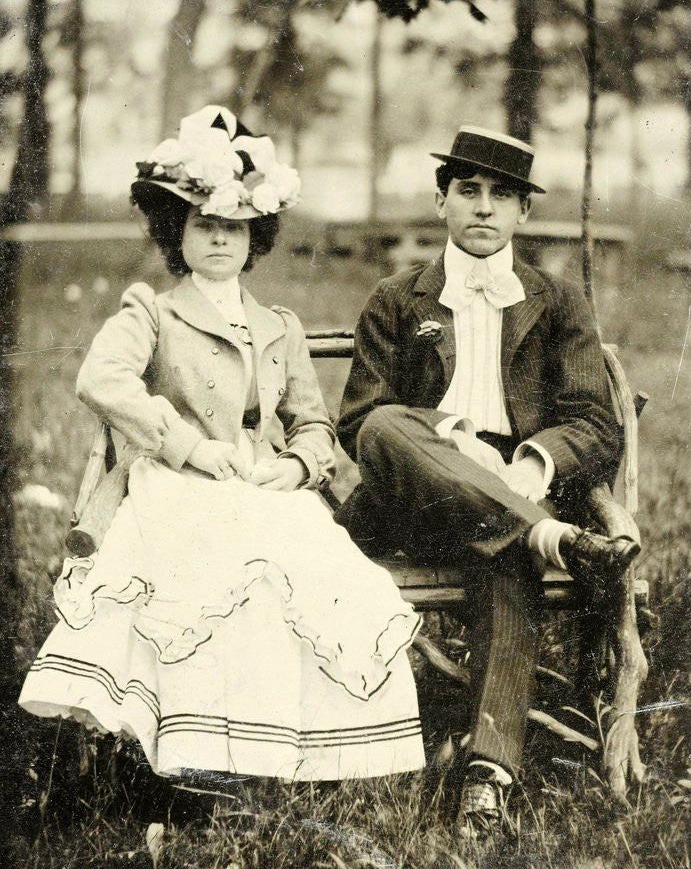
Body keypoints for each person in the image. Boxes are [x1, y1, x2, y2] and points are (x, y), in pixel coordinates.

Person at [19, 106, 424, 786]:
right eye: (204, 226)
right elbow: (102, 379)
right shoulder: (153, 308)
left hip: (260, 479)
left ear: (254, 237)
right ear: (177, 233)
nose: (218, 241)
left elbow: (313, 423)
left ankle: (273, 752)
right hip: (175, 478)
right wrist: (186, 446)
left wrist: (297, 464)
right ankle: (195, 756)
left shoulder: (277, 324)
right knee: (210, 576)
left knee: (313, 573)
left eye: (234, 229)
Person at [334, 125, 640, 832]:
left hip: (519, 490)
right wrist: (456, 449)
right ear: (440, 201)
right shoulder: (396, 297)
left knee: (506, 552)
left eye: (501, 196)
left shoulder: (556, 301)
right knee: (387, 425)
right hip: (416, 491)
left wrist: (529, 465)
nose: (482, 208)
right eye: (466, 191)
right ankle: (551, 538)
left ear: (522, 215)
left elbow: (595, 423)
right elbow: (361, 424)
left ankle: (487, 774)